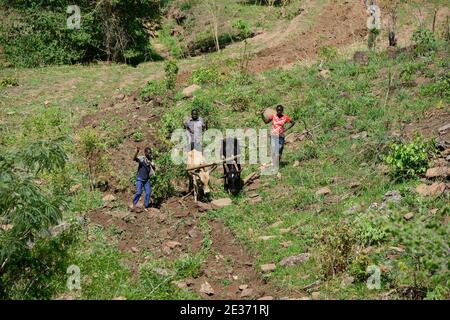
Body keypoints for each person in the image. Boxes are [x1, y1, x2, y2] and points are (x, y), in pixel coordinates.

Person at [132, 146, 155, 212]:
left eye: (150, 153)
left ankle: (145, 206)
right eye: (149, 153)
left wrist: (152, 164)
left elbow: (154, 166)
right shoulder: (142, 158)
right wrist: (136, 152)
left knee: (148, 192)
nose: (150, 154)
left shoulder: (150, 160)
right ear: (145, 153)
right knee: (139, 192)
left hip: (147, 179)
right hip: (140, 179)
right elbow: (134, 159)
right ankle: (134, 204)